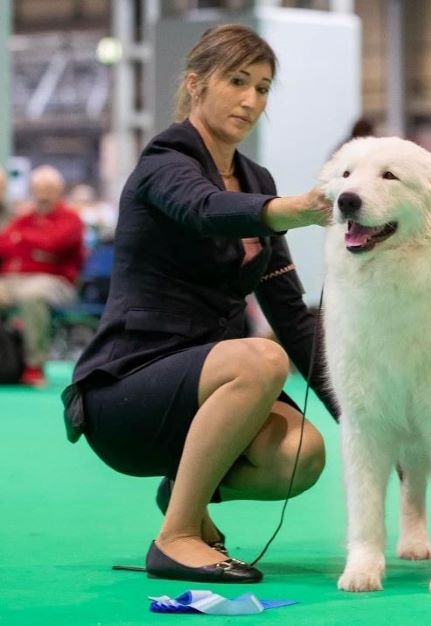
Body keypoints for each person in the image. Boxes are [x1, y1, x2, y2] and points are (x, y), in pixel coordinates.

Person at [61, 23, 338, 584]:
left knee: (303, 454)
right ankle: (178, 536)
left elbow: (292, 316)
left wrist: (362, 423)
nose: (250, 99)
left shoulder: (255, 178)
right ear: (195, 85)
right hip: (126, 392)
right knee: (260, 358)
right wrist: (295, 209)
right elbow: (205, 209)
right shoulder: (165, 160)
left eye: (262, 87)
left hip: (208, 387)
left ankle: (183, 487)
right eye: (236, 81)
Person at [0, 165, 84, 386]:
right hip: (13, 280)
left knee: (32, 296)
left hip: (55, 283)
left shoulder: (71, 218)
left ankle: (34, 367)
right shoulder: (24, 218)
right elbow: (3, 245)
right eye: (38, 189)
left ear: (59, 190)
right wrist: (33, 244)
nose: (43, 194)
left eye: (49, 189)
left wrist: (22, 240)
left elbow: (53, 244)